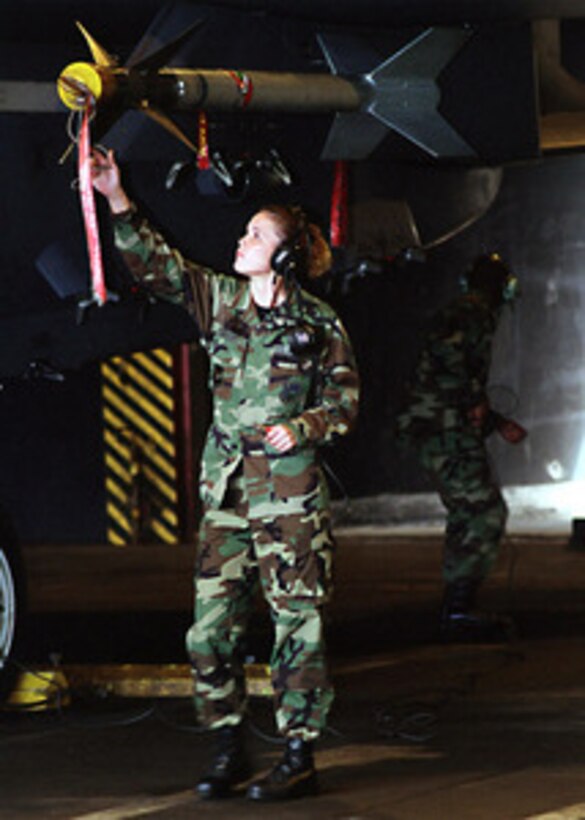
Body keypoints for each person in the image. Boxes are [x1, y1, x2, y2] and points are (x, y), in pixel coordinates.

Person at [91, 149, 360, 801]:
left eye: (256, 235)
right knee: (209, 631)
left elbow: (345, 403)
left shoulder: (318, 325)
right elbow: (161, 270)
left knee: (298, 625)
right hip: (230, 497)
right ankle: (228, 745)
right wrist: (116, 198)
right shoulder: (221, 303)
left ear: (287, 254)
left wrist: (303, 428)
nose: (241, 241)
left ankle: (298, 754)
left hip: (290, 501)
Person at [396, 254, 525, 642]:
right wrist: (477, 404)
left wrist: (495, 421)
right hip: (442, 427)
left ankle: (458, 605)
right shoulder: (473, 314)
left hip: (443, 425)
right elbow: (449, 365)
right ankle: (458, 610)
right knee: (483, 511)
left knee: (470, 510)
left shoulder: (468, 312)